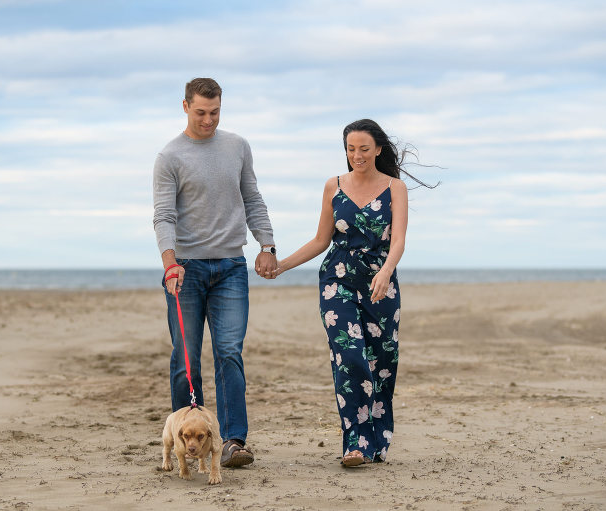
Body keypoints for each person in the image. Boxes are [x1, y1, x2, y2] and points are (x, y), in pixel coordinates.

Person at [270, 119, 415, 466]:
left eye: (364, 149)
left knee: (381, 364)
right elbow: (321, 240)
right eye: (351, 149)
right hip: (338, 282)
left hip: (381, 284)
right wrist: (283, 265)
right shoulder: (332, 186)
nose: (357, 156)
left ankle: (377, 440)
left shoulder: (395, 188)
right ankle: (356, 444)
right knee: (349, 358)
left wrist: (385, 272)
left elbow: (398, 242)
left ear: (378, 149)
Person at [152, 77, 277, 468]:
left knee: (229, 353)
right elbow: (164, 215)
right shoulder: (170, 156)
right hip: (185, 270)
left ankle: (233, 442)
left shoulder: (237, 147)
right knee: (184, 358)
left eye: (215, 112)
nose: (209, 120)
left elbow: (252, 196)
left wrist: (267, 245)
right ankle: (184, 440)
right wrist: (169, 262)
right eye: (202, 112)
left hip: (230, 268)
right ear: (185, 106)